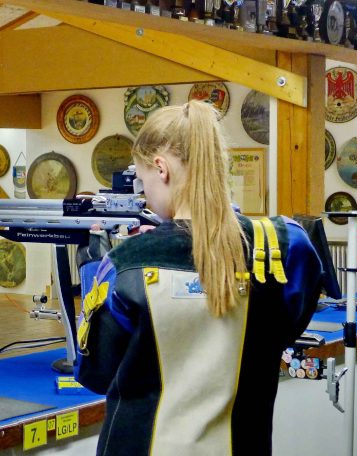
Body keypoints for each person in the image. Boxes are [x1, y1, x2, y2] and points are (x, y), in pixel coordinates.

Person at [74, 100, 322, 455]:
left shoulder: (126, 263)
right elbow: (286, 327)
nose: (146, 196)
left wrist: (91, 266)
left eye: (143, 184)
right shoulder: (283, 246)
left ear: (161, 169)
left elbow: (95, 373)